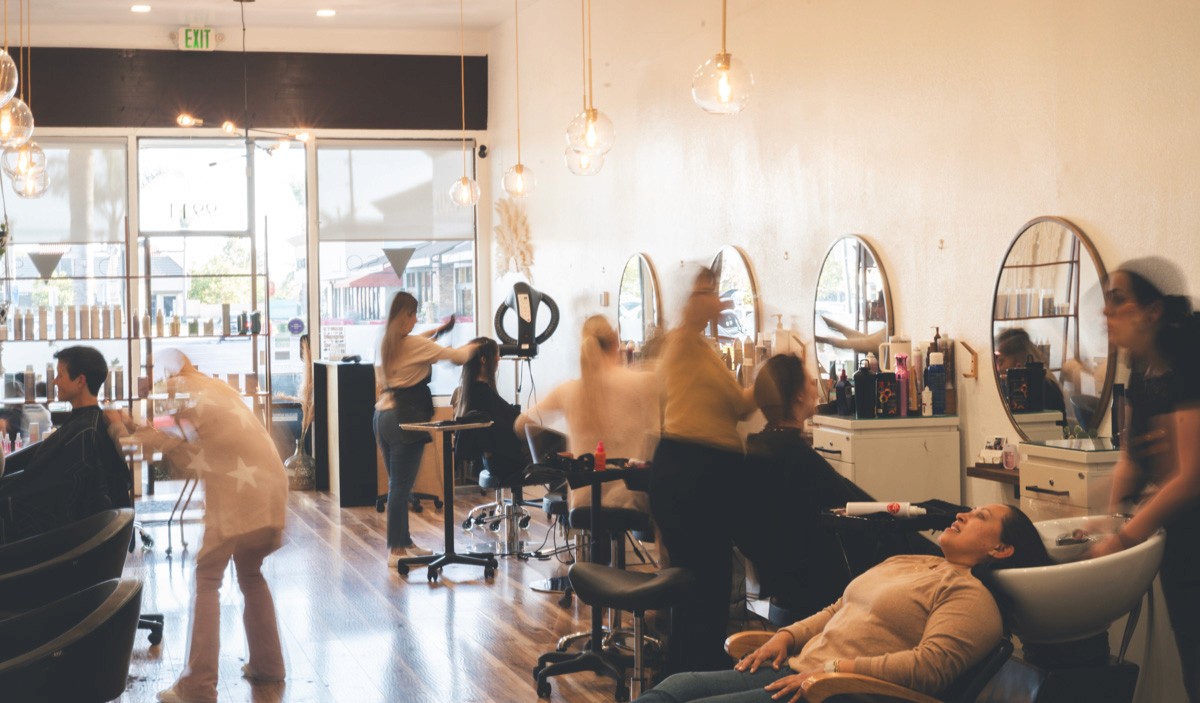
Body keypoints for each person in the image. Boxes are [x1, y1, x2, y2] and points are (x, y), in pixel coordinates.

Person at [637, 504, 1052, 703]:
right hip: (799, 670)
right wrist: (786, 636)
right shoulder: (910, 561)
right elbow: (839, 609)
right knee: (674, 689)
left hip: (838, 694)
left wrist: (834, 670)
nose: (963, 515)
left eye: (980, 517)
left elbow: (927, 669)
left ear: (1000, 549)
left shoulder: (970, 598)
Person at [107, 349, 289, 703]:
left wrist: (116, 425)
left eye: (151, 371)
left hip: (238, 494)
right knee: (251, 574)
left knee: (207, 579)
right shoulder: (214, 387)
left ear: (164, 370)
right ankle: (269, 665)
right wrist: (138, 423)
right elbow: (177, 430)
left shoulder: (174, 389)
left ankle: (197, 686)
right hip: (270, 487)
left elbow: (152, 443)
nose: (148, 379)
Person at [1086, 258, 1200, 701]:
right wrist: (1111, 518)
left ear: (1153, 311)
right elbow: (1131, 458)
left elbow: (1190, 477)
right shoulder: (1142, 366)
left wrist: (1124, 537)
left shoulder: (1189, 360)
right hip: (1181, 535)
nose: (1106, 311)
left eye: (1119, 300)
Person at [651, 269, 758, 673]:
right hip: (691, 477)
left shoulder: (703, 350)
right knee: (703, 585)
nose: (714, 300)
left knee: (708, 585)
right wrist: (705, 301)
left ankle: (690, 672)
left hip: (701, 477)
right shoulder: (681, 343)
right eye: (706, 293)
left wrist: (769, 380)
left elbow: (740, 406)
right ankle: (690, 675)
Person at [736, 353, 872, 618]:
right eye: (810, 381)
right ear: (798, 396)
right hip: (816, 588)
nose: (815, 385)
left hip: (781, 583)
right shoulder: (796, 456)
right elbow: (854, 507)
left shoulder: (759, 446)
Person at [514, 315, 659, 512]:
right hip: (630, 501)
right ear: (615, 343)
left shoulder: (568, 390)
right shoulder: (644, 383)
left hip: (581, 503)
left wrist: (560, 451)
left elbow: (521, 424)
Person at [374, 292, 476, 568]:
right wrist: (476, 346)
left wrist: (439, 331)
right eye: (414, 315)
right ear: (405, 317)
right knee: (400, 487)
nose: (416, 320)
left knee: (397, 484)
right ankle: (396, 550)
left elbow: (419, 340)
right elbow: (457, 357)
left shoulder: (387, 341)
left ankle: (405, 543)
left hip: (382, 416)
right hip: (403, 418)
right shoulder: (413, 344)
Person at [0, 345, 130, 543]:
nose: (54, 381)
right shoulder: (88, 424)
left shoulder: (86, 430)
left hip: (71, 539)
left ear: (80, 381)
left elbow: (44, 484)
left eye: (60, 375)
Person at [453, 336, 529, 479]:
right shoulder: (483, 395)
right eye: (496, 355)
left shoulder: (471, 394)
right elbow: (511, 423)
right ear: (483, 360)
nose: (499, 359)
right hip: (506, 464)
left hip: (491, 462)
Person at [995, 327, 1067, 416]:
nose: (999, 368)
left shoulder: (1042, 389)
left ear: (1018, 362)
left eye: (1001, 361)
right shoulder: (1010, 386)